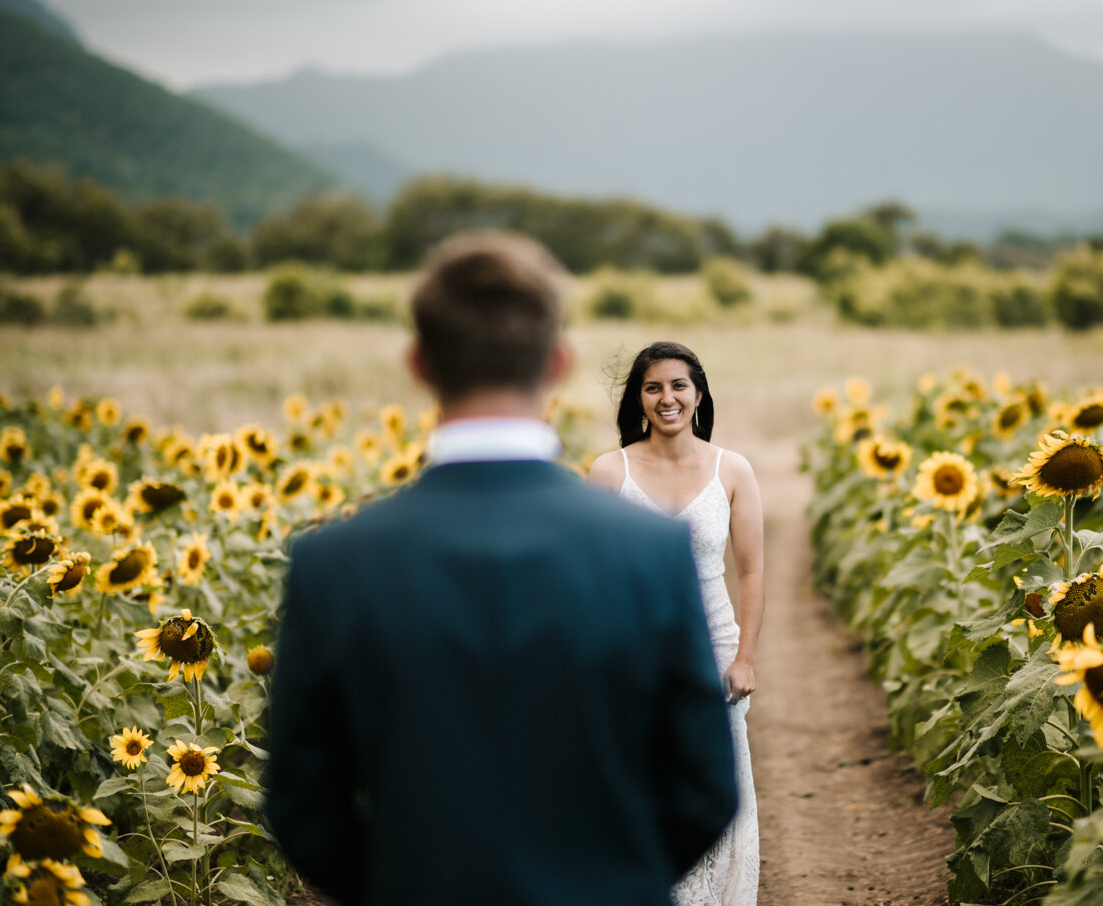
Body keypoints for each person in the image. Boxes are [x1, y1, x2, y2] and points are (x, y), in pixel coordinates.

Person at [264, 231, 738, 906]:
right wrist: (610, 880)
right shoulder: (648, 551)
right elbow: (703, 787)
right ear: (558, 362)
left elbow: (304, 809)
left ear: (420, 363)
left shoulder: (334, 561)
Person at [587, 341, 764, 906]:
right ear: (640, 399)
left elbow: (752, 569)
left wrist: (744, 659)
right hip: (632, 656)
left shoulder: (731, 469)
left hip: (712, 649)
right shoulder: (609, 471)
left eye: (678, 386)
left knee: (714, 786)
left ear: (699, 394)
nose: (667, 398)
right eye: (653, 387)